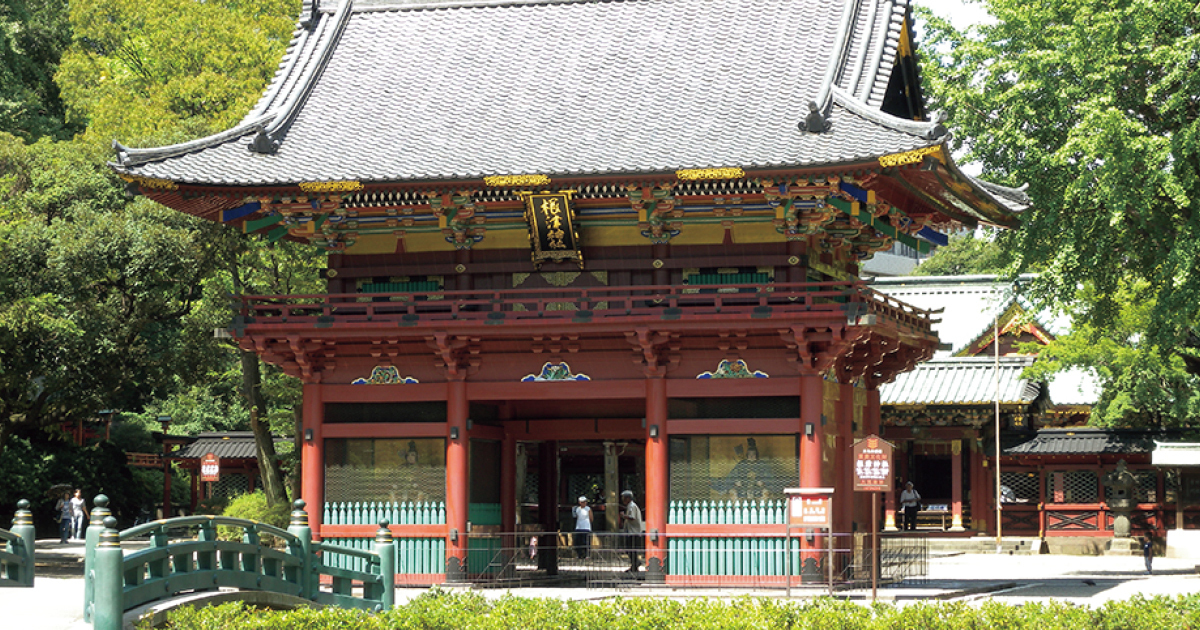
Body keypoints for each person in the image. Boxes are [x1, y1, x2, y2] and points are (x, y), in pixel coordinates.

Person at [619, 490, 643, 573]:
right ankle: (634, 564)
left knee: (630, 548)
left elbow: (632, 517)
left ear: (628, 498)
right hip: (631, 531)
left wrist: (623, 516)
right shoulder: (630, 506)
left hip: (634, 532)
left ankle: (636, 563)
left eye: (624, 498)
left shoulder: (632, 506)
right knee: (630, 549)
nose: (623, 500)